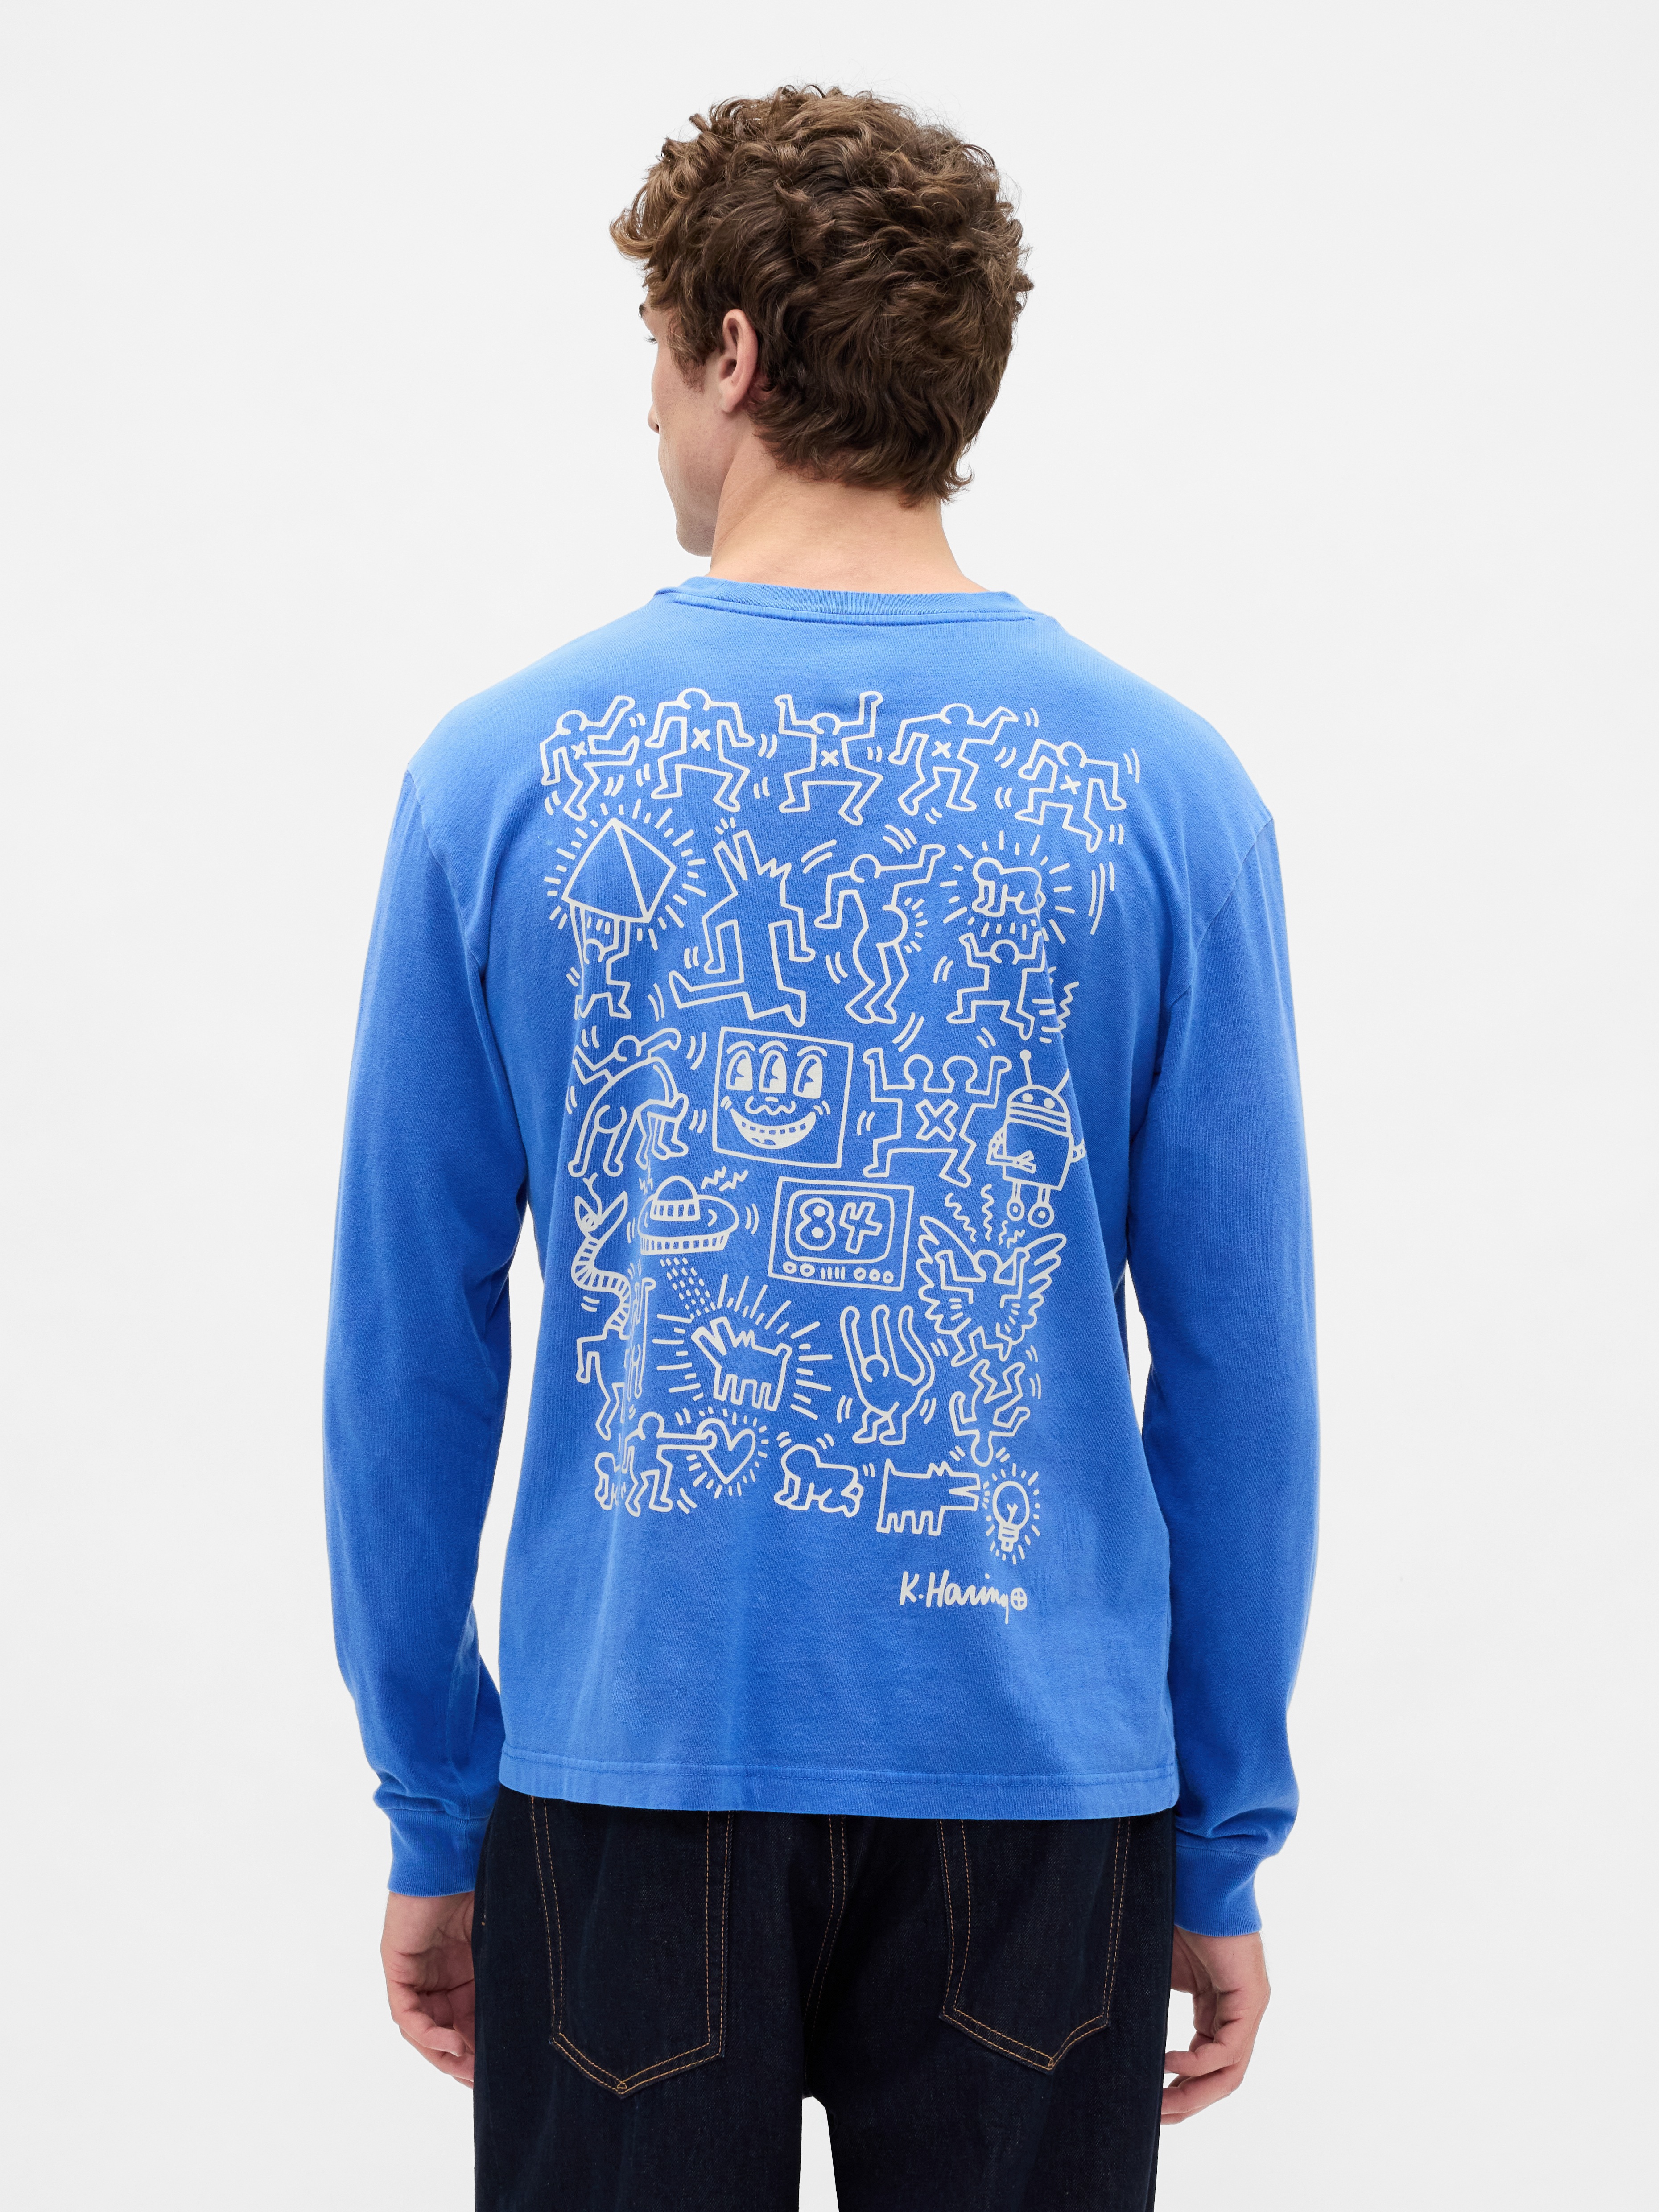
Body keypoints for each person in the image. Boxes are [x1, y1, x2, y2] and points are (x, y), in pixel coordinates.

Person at [325, 85, 1317, 2211]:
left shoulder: (502, 777)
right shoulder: (1169, 792)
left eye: (656, 353)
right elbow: (1242, 1367)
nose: (650, 411)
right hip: (1042, 1788)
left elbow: (410, 1333)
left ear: (735, 351)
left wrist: (436, 1795)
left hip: (629, 1763)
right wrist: (1220, 1832)